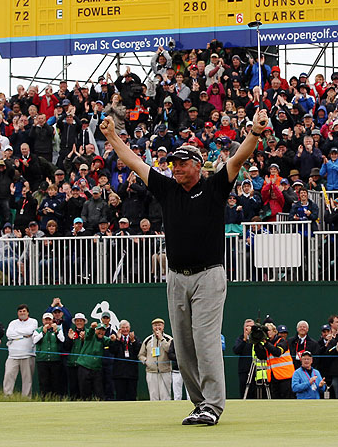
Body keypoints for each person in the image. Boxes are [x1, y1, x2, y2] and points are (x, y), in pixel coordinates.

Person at [99, 109, 269, 426]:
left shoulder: (215, 186)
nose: (175, 168)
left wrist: (255, 133)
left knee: (205, 341)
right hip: (176, 277)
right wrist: (110, 137)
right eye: (173, 163)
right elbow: (135, 162)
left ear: (196, 164)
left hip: (208, 275)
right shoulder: (168, 189)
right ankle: (200, 403)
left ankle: (214, 406)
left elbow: (238, 159)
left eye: (181, 163)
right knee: (184, 346)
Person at [3, 304, 37, 397]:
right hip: (13, 355)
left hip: (28, 355)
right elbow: (9, 334)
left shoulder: (33, 321)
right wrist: (23, 336)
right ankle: (7, 396)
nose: (22, 313)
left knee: (27, 379)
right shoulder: (13, 323)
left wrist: (17, 334)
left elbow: (29, 331)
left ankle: (26, 398)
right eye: (20, 311)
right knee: (8, 375)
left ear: (27, 312)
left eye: (24, 311)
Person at [75, 322, 112, 400]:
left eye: (103, 330)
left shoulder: (104, 339)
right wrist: (92, 327)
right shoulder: (90, 336)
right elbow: (89, 334)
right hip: (84, 367)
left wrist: (113, 339)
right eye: (99, 330)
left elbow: (110, 342)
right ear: (96, 330)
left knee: (99, 394)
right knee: (85, 393)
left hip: (96, 369)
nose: (101, 332)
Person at [139, 317, 173, 401]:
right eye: (155, 325)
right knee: (153, 395)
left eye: (159, 325)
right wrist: (146, 361)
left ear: (163, 326)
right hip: (151, 372)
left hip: (165, 371)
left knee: (165, 396)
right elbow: (141, 354)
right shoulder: (147, 340)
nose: (157, 327)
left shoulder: (169, 339)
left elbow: (169, 350)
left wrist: (161, 338)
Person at [33, 311, 66, 399]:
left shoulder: (57, 329)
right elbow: (34, 341)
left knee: (55, 382)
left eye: (49, 320)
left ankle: (55, 399)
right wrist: (43, 333)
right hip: (42, 360)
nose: (48, 322)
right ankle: (44, 399)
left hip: (55, 360)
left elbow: (62, 340)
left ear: (52, 320)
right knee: (44, 382)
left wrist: (56, 331)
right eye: (46, 320)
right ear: (43, 321)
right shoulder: (38, 330)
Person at [109, 320, 142, 401]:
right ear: (120, 329)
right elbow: (112, 350)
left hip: (132, 374)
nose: (125, 330)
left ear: (129, 328)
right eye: (123, 328)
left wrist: (133, 341)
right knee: (120, 397)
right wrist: (118, 340)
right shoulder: (116, 339)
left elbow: (139, 350)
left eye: (127, 327)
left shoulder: (134, 339)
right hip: (119, 374)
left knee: (132, 396)